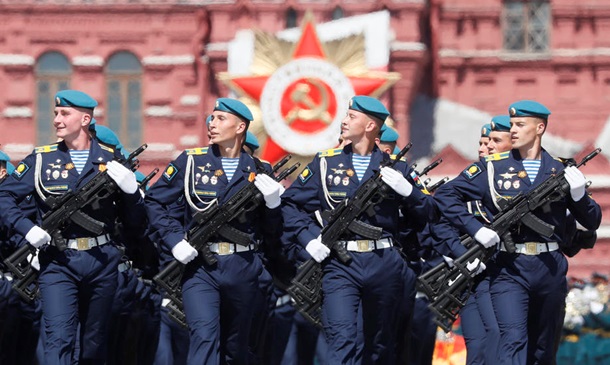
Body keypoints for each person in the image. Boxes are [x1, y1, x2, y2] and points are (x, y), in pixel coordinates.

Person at [434, 100, 602, 364]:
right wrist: (476, 229)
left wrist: (580, 196)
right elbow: (445, 195)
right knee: (512, 340)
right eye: (512, 124)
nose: (513, 130)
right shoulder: (493, 168)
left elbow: (591, 221)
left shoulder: (559, 169)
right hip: (509, 268)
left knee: (543, 349)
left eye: (520, 125)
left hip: (550, 267)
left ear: (539, 128)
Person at [281, 95, 438, 363]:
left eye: (351, 117)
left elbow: (430, 214)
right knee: (342, 339)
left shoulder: (397, 168)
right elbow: (289, 206)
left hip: (384, 263)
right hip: (340, 262)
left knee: (380, 344)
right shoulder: (325, 163)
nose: (343, 121)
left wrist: (409, 192)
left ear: (369, 126)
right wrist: (309, 240)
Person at [0, 90, 145, 364]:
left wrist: (132, 193)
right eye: (55, 113)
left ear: (85, 119)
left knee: (93, 344)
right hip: (58, 260)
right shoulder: (41, 159)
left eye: (64, 113)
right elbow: (4, 195)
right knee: (59, 339)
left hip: (101, 261)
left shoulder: (111, 160)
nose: (56, 119)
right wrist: (27, 228)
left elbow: (135, 224)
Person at [145, 97, 285, 364]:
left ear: (240, 127)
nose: (212, 123)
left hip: (243, 265)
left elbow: (272, 232)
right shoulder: (190, 162)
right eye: (212, 117)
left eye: (221, 119)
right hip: (200, 267)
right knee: (204, 337)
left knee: (236, 346)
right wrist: (175, 240)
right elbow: (155, 202)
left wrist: (273, 205)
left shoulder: (260, 170)